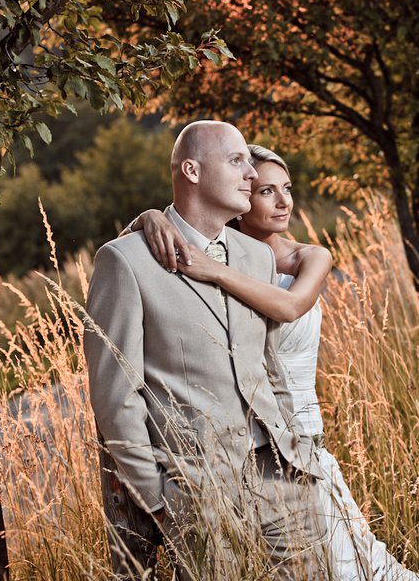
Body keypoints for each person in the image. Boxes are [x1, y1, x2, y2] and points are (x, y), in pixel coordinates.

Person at [128, 143, 419, 581]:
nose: (283, 201)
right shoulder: (215, 252)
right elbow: (166, 234)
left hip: (299, 436)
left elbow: (290, 307)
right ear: (240, 197)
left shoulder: (308, 257)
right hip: (238, 450)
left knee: (343, 564)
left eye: (287, 189)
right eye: (265, 191)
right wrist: (150, 217)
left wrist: (213, 271)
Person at [83, 121, 329, 581]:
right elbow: (115, 396)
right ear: (192, 171)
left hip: (282, 477)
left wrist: (298, 456)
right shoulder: (126, 261)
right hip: (198, 491)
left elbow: (269, 367)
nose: (251, 175)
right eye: (237, 162)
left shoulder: (257, 256)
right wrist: (158, 500)